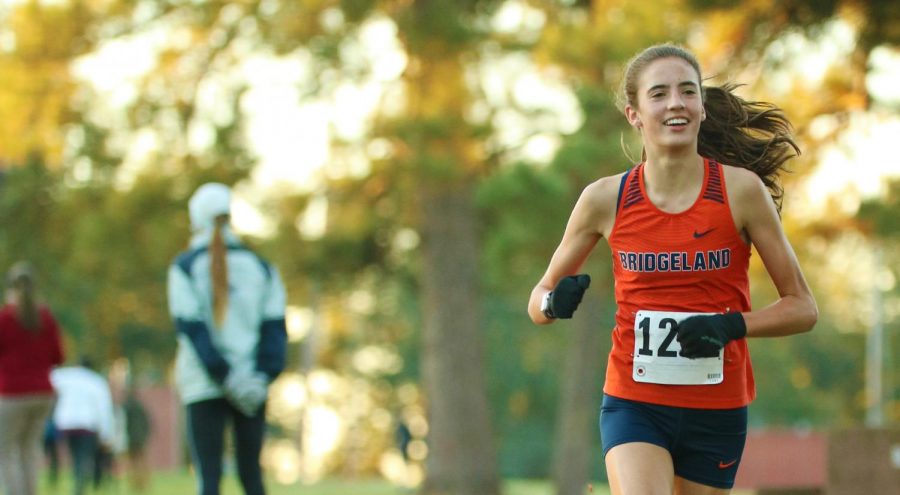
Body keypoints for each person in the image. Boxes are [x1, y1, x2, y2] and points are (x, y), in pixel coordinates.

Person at [528, 43, 818, 495]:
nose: (675, 103)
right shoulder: (605, 199)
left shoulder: (741, 192)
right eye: (659, 94)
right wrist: (552, 301)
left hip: (717, 407)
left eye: (687, 91)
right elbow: (539, 298)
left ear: (701, 107)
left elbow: (803, 308)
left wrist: (731, 326)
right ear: (635, 114)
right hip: (634, 401)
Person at [167, 182, 288, 495]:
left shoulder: (184, 267)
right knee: (252, 476)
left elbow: (193, 330)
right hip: (252, 384)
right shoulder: (262, 268)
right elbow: (274, 329)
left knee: (209, 478)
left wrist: (226, 377)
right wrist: (260, 376)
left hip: (204, 383)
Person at [0, 261, 66, 495]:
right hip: (42, 394)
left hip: (12, 394)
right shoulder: (45, 318)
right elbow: (59, 356)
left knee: (5, 451)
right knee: (29, 449)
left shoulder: (6, 319)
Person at [50, 357, 116, 495]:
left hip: (66, 424)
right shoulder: (97, 381)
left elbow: (49, 377)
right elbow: (104, 410)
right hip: (87, 425)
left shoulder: (66, 377)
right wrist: (106, 435)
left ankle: (78, 482)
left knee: (75, 456)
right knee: (83, 457)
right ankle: (79, 485)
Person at [122, 385, 152, 493]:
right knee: (142, 462)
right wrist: (146, 435)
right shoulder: (141, 407)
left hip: (130, 438)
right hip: (141, 438)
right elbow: (147, 423)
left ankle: (135, 484)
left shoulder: (126, 407)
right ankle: (143, 484)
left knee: (132, 463)